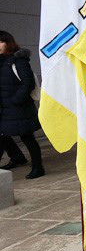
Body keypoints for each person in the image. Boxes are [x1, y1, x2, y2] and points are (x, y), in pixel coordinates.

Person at [0, 31, 45, 179]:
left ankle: (38, 167)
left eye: (1, 42)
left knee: (27, 137)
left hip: (19, 106)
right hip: (5, 107)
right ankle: (17, 157)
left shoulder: (18, 60)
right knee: (2, 135)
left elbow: (28, 83)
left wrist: (15, 100)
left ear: (8, 43)